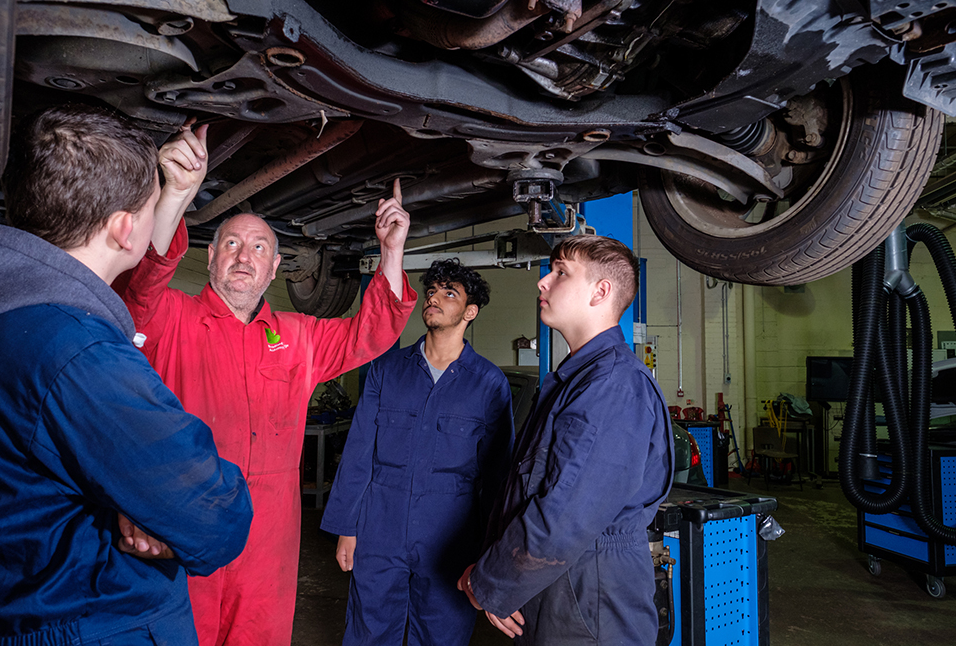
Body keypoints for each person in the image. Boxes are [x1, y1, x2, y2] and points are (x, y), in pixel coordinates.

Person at [0, 105, 253, 646]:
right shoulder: (78, 353)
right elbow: (214, 518)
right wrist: (146, 506)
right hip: (89, 623)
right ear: (124, 228)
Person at [113, 125, 418, 646]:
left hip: (269, 539)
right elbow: (139, 286)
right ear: (209, 259)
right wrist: (175, 194)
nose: (243, 255)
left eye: (258, 246)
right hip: (185, 525)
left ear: (275, 267)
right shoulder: (172, 318)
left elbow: (370, 334)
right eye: (230, 243)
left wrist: (391, 251)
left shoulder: (297, 336)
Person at [458, 235, 674, 645]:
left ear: (601, 291)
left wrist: (490, 583)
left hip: (591, 602)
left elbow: (565, 516)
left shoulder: (612, 386)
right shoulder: (577, 379)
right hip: (564, 589)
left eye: (561, 273)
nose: (543, 282)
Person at [321, 258, 515, 646]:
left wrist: (493, 549)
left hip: (450, 534)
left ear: (470, 311)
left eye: (449, 293)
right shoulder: (387, 369)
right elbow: (359, 450)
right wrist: (347, 527)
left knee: (442, 633)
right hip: (381, 525)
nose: (434, 299)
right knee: (369, 630)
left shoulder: (489, 383)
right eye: (431, 291)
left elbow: (497, 475)